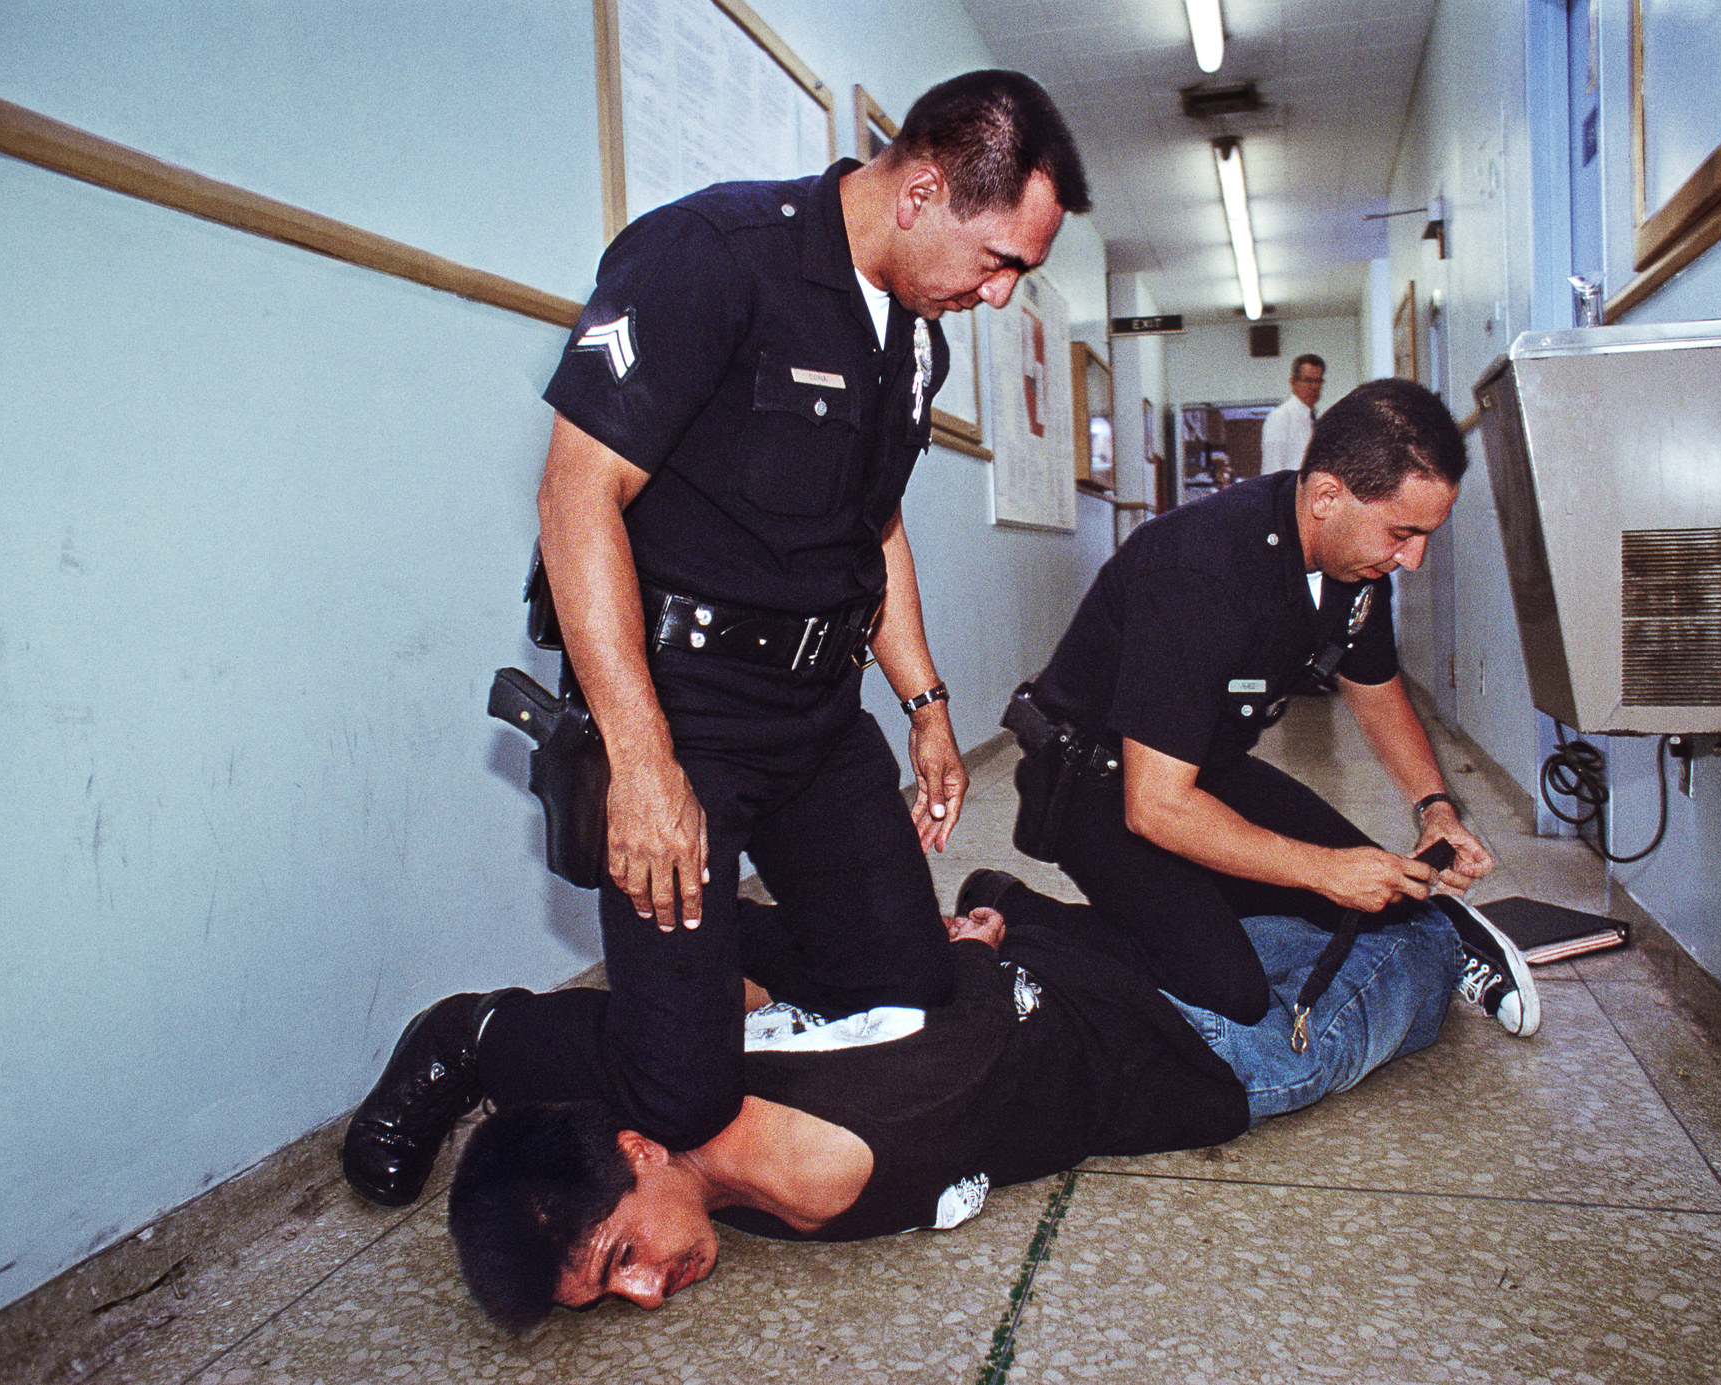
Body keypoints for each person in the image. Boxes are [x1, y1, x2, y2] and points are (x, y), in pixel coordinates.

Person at [509, 71, 1092, 1161]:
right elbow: (572, 495)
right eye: (1002, 260)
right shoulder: (710, 255)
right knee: (680, 1100)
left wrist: (922, 702)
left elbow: (872, 526)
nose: (1003, 294)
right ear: (919, 193)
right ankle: (484, 1036)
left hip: (817, 717)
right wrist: (639, 762)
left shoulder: (918, 336)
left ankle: (704, 956)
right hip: (684, 710)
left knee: (905, 996)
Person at [338, 876, 1538, 1329]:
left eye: (619, 1255)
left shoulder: (848, 1147)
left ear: (639, 1146)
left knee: (1326, 1027)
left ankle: (1432, 930)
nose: (647, 1287)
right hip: (1050, 964)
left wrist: (956, 953)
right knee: (1237, 938)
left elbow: (949, 1030)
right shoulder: (656, 1100)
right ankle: (1340, 915)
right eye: (612, 1289)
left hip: (1150, 1045)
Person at [1000, 377, 1495, 1030]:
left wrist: (1435, 807)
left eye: (1426, 534)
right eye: (1403, 533)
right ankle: (1015, 915)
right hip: (1095, 785)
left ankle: (1215, 907)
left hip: (1203, 765)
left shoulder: (1357, 565)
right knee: (1227, 990)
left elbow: (1376, 692)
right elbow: (1156, 807)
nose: (1414, 558)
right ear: (1327, 496)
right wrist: (1320, 870)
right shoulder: (1200, 569)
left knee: (1385, 901)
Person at [1260, 353, 1325, 472]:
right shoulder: (1279, 417)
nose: (1314, 387)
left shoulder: (1314, 420)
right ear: (1293, 382)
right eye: (1308, 380)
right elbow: (1271, 470)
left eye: (1318, 381)